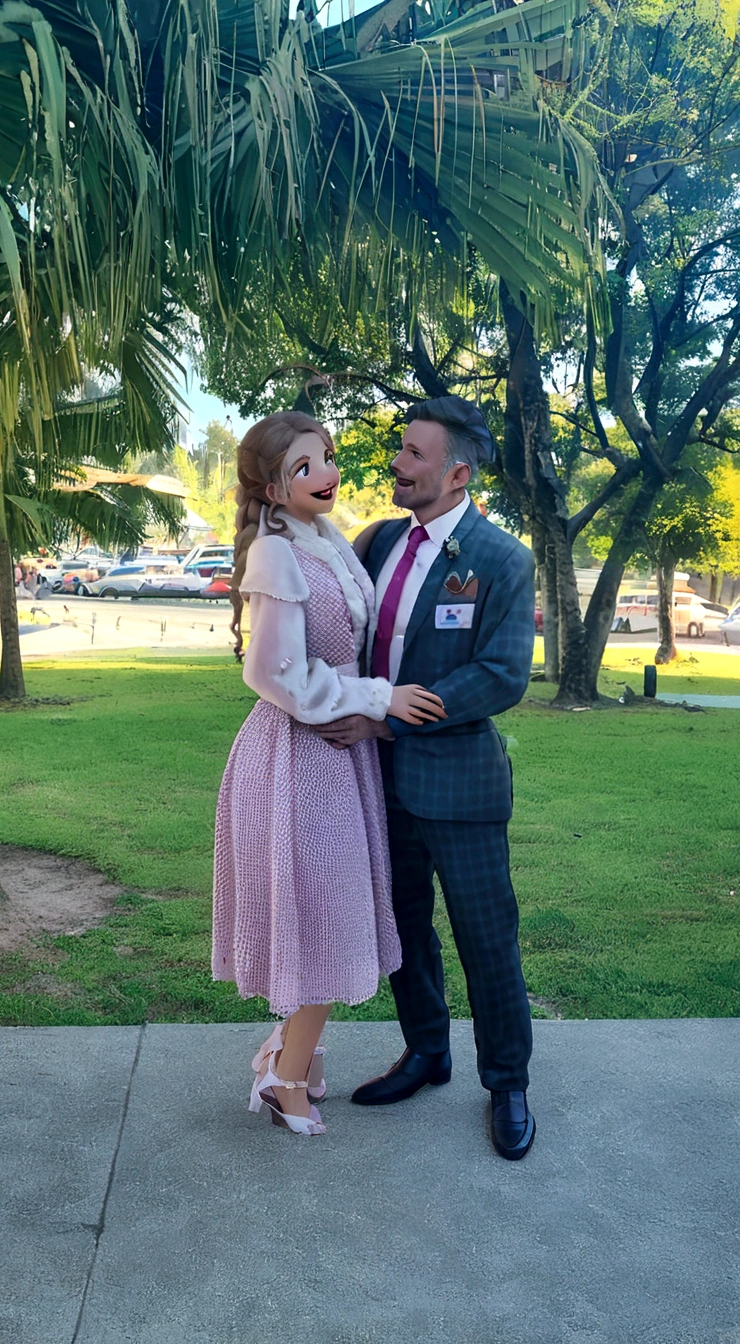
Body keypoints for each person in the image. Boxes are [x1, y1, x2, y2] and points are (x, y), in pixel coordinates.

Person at [312, 395, 537, 1160]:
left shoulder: (503, 559)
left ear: (457, 472)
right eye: (400, 449)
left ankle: (507, 1083)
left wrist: (389, 718)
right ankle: (426, 1053)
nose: (397, 464)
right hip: (378, 783)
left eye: (413, 454)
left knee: (485, 939)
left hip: (462, 786)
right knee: (404, 927)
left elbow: (502, 676)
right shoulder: (379, 544)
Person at [211, 411, 445, 1137]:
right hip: (298, 755)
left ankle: (293, 1054)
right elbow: (272, 671)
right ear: (272, 487)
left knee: (330, 913)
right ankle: (285, 1076)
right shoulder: (277, 554)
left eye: (328, 459)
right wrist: (378, 697)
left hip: (336, 754)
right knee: (324, 919)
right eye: (304, 467)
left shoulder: (324, 540)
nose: (326, 475)